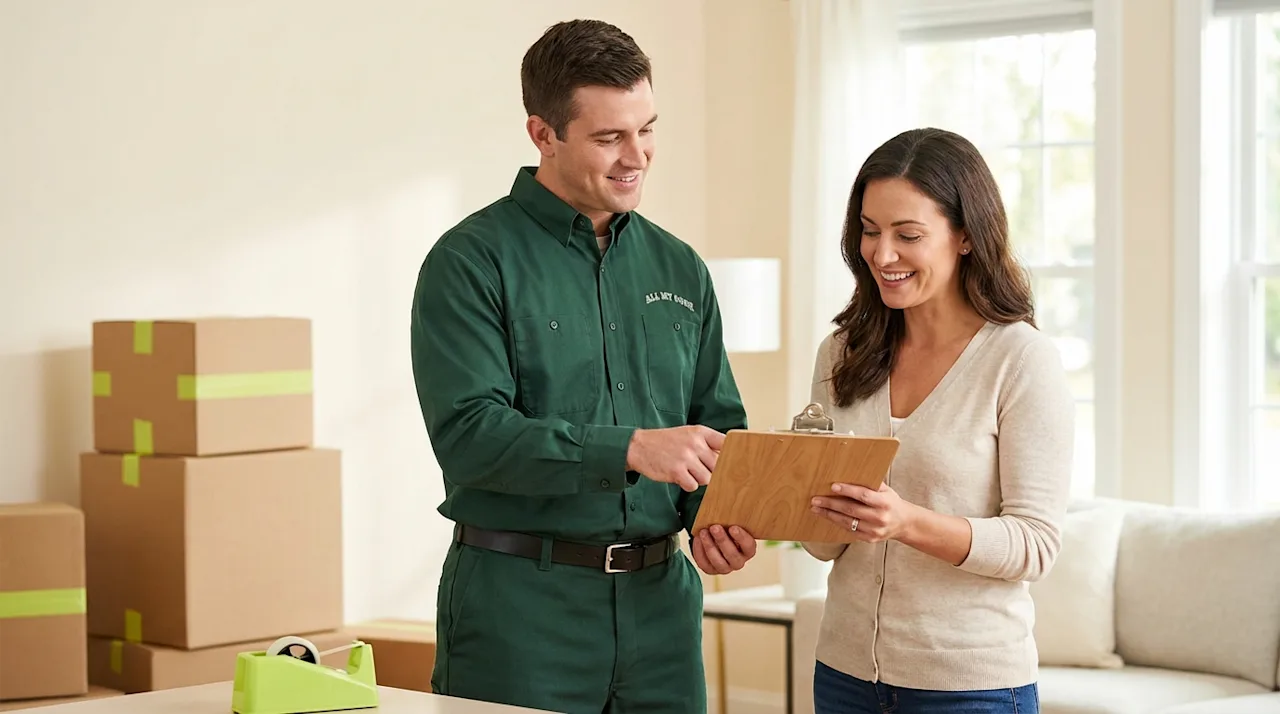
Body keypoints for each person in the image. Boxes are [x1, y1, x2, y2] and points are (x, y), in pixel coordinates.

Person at [409, 18, 759, 714]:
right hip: (522, 613)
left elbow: (715, 424)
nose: (637, 156)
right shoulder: (470, 262)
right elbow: (470, 435)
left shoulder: (679, 265)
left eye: (647, 128)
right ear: (543, 134)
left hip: (662, 612)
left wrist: (717, 519)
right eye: (609, 138)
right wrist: (629, 448)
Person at [802, 128, 1076, 713]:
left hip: (970, 686)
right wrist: (784, 498)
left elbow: (1034, 545)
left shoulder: (1020, 360)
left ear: (967, 237)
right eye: (870, 231)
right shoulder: (841, 353)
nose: (882, 254)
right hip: (844, 674)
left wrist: (903, 522)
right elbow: (822, 547)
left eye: (908, 235)